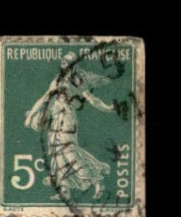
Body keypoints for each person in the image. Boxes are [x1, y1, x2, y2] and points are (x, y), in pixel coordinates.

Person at [24, 53, 116, 200]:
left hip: (67, 119)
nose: (64, 64)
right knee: (57, 155)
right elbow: (44, 98)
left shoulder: (77, 81)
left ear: (75, 65)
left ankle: (97, 181)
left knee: (69, 153)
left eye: (68, 62)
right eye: (63, 61)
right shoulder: (56, 81)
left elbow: (92, 100)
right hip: (56, 119)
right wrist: (30, 116)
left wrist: (108, 108)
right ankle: (64, 191)